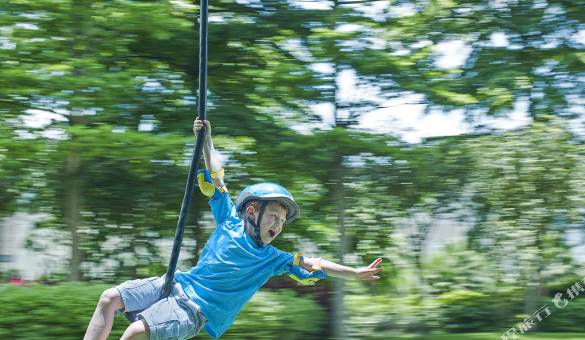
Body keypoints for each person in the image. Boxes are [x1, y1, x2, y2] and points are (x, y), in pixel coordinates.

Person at [84, 118, 383, 340]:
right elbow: (217, 177)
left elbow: (314, 263)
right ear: (252, 212)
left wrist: (354, 273)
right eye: (274, 217)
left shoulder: (272, 258)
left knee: (135, 333)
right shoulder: (229, 220)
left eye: (282, 221)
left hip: (195, 311)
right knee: (109, 298)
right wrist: (206, 139)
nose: (278, 226)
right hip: (175, 284)